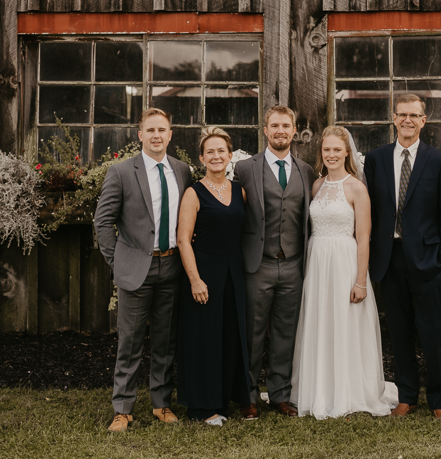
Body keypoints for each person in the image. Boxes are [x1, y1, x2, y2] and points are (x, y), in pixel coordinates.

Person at [94, 108, 192, 432]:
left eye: (162, 130)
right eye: (150, 130)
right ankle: (122, 409)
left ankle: (161, 404)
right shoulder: (121, 172)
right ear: (139, 135)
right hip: (137, 267)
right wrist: (117, 260)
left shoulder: (182, 171)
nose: (156, 136)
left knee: (165, 342)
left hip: (172, 266)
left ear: (170, 134)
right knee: (131, 342)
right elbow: (103, 221)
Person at [290, 126, 398, 419]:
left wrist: (360, 281)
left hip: (345, 262)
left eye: (337, 149)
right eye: (327, 150)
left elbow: (363, 237)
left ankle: (349, 390)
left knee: (344, 324)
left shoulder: (357, 188)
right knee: (320, 322)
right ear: (321, 153)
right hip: (318, 261)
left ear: (347, 152)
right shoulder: (316, 186)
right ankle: (319, 388)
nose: (332, 154)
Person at [363, 93, 441, 420]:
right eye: (402, 114)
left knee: (433, 333)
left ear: (423, 120)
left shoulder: (439, 161)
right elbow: (370, 210)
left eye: (414, 115)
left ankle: (439, 400)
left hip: (428, 258)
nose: (407, 120)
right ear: (393, 117)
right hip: (390, 258)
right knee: (399, 332)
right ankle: (406, 396)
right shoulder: (375, 159)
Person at [233, 105, 315, 420]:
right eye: (275, 126)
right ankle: (249, 396)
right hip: (258, 263)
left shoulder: (306, 171)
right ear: (265, 130)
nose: (281, 131)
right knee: (252, 334)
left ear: (294, 131)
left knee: (286, 333)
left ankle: (279, 394)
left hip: (294, 264)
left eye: (286, 126)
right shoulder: (244, 169)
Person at [176, 127, 249, 426]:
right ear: (201, 158)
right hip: (203, 273)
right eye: (210, 152)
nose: (216, 156)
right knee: (203, 340)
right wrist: (195, 279)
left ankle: (225, 401)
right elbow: (183, 239)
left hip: (234, 274)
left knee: (230, 338)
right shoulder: (193, 193)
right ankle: (202, 407)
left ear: (230, 156)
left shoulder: (240, 190)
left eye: (221, 151)